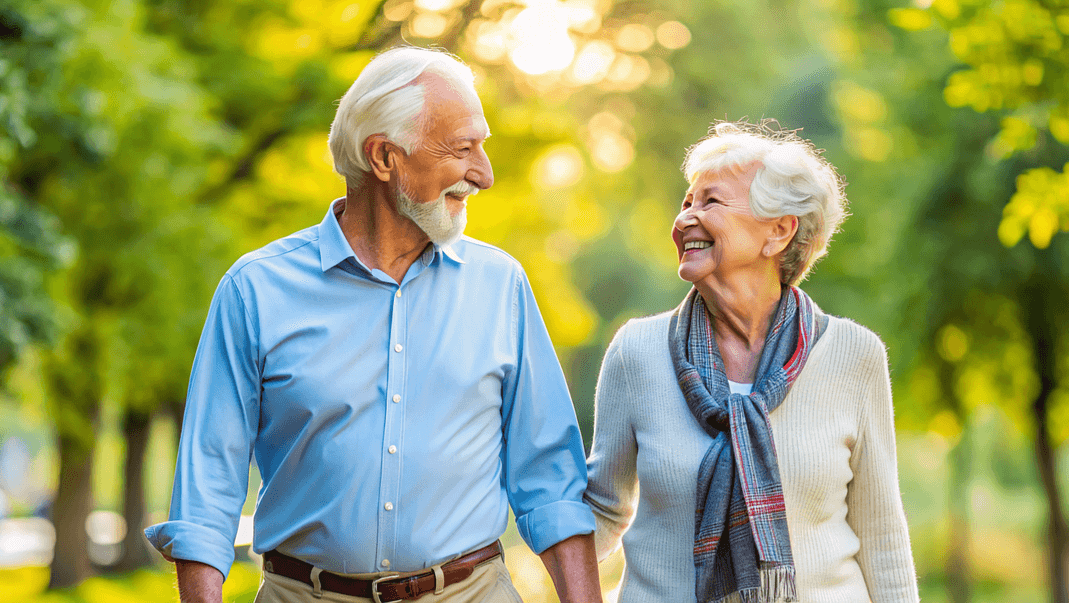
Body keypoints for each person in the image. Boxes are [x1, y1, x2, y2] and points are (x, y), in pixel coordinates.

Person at [146, 46, 602, 603]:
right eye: (463, 150)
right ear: (385, 158)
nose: (483, 175)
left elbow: (550, 480)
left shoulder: (500, 285)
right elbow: (206, 490)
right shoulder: (255, 290)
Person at [584, 122, 920, 603]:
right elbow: (601, 509)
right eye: (686, 202)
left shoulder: (854, 354)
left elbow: (881, 533)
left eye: (710, 202)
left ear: (778, 231)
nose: (684, 219)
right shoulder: (637, 351)